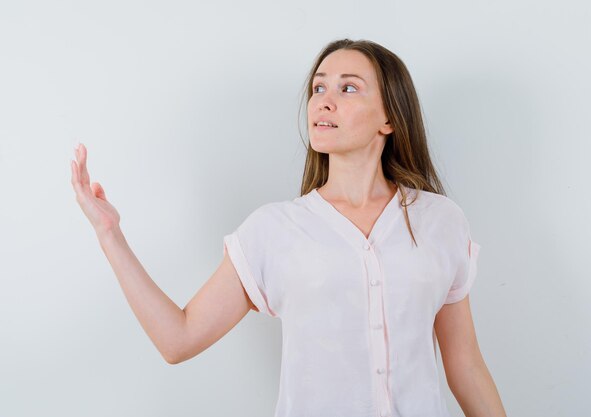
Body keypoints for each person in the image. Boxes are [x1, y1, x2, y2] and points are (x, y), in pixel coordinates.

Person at [71, 38, 507, 417]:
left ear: (389, 119)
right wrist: (110, 234)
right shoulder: (273, 230)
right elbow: (178, 339)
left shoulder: (440, 221)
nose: (324, 100)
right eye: (319, 88)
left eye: (348, 88)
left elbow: (464, 365)